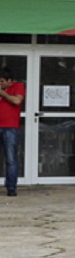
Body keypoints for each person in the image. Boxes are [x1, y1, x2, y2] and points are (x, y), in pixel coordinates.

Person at [0, 67, 25, 198]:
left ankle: (11, 187)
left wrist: (3, 94)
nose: (0, 83)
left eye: (2, 81)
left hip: (10, 128)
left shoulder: (18, 86)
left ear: (10, 81)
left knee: (10, 159)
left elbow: (17, 101)